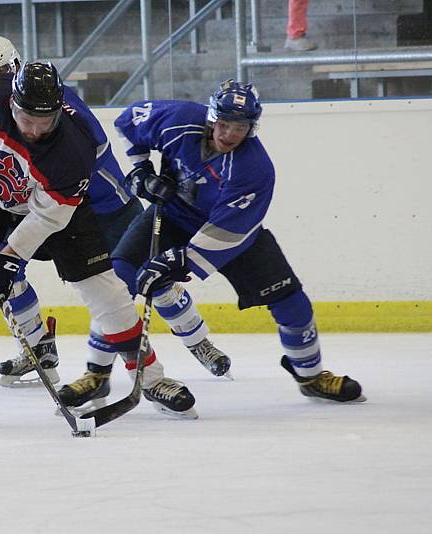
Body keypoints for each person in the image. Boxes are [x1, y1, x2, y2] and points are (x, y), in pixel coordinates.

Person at [0, 62, 197, 431]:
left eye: (45, 119)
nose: (35, 129)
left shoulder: (75, 149)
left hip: (54, 211)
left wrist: (8, 257)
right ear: (11, 102)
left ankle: (151, 379)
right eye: (26, 117)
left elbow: (48, 218)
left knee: (106, 291)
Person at [0, 37, 231, 389]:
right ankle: (39, 349)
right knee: (1, 270)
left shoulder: (54, 109)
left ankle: (198, 340)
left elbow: (64, 176)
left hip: (100, 206)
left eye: (3, 72)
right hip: (38, 205)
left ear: (16, 69)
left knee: (146, 273)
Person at [112, 80, 365, 404]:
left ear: (252, 128)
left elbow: (230, 231)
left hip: (232, 236)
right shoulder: (179, 119)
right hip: (173, 215)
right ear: (212, 117)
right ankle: (111, 373)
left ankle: (311, 376)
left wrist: (183, 259)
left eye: (241, 127)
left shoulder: (255, 168)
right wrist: (141, 170)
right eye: (225, 123)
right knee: (119, 279)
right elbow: (128, 122)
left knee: (291, 300)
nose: (230, 133)